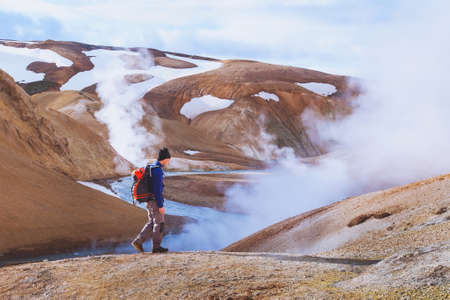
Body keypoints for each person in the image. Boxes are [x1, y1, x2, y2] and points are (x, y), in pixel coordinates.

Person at [131, 147, 171, 253]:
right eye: (168, 159)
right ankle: (156, 247)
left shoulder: (152, 168)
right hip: (154, 201)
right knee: (159, 223)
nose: (169, 162)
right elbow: (157, 190)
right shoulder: (157, 171)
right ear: (165, 159)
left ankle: (139, 241)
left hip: (149, 201)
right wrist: (161, 206)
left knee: (152, 222)